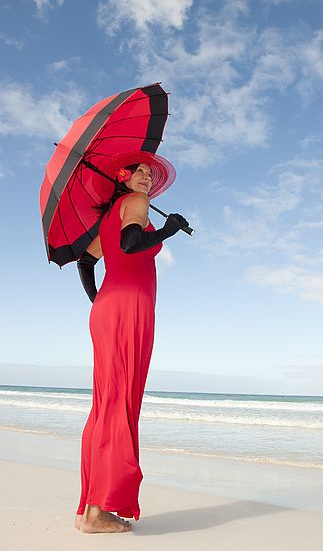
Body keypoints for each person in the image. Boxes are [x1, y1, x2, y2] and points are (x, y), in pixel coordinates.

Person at [74, 158, 188, 534]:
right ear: (123, 176)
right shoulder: (135, 204)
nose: (146, 177)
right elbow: (132, 242)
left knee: (107, 403)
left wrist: (99, 299)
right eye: (140, 171)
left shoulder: (112, 215)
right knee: (120, 403)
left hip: (110, 309)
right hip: (129, 309)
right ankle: (98, 512)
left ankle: (90, 506)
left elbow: (86, 261)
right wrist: (168, 231)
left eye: (150, 175)